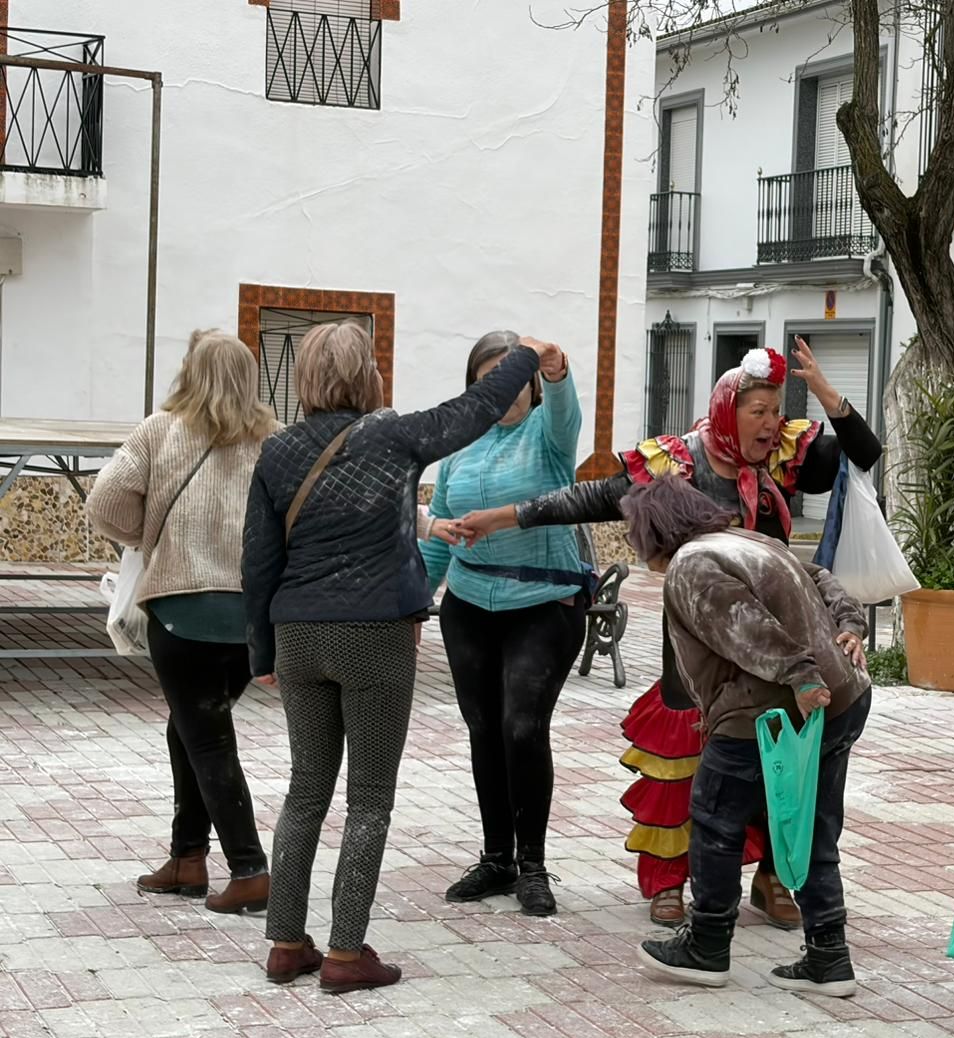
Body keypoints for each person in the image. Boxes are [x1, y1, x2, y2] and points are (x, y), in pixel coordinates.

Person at [457, 339, 880, 928]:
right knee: (688, 761)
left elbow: (865, 452)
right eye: (757, 410)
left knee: (781, 760)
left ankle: (774, 877)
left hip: (779, 641)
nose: (770, 422)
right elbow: (587, 499)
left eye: (776, 410)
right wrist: (502, 518)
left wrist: (829, 393)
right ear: (730, 408)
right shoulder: (678, 462)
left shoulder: (784, 458)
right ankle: (670, 879)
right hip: (699, 647)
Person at [242, 321, 566, 994]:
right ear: (368, 375)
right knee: (367, 802)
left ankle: (283, 942)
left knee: (305, 793)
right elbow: (474, 410)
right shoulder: (393, 435)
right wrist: (527, 357)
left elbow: (259, 560)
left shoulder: (275, 452)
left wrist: (260, 650)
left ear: (304, 379)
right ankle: (343, 952)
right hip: (374, 635)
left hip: (298, 634)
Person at [620, 473, 873, 995]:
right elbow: (821, 576)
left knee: (715, 819)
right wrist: (849, 623)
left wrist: (800, 674)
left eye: (635, 531)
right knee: (814, 830)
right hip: (843, 699)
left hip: (770, 709)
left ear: (656, 530)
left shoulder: (692, 565)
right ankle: (830, 957)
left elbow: (746, 625)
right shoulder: (748, 540)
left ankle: (707, 946)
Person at [86, 330, 278, 914]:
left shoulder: (160, 429)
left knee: (208, 738)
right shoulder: (274, 441)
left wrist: (147, 538)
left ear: (190, 372)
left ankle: (249, 869)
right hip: (250, 620)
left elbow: (103, 504)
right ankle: (187, 858)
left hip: (183, 614)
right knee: (190, 730)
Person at [417, 331, 586, 917]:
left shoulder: (548, 437)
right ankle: (496, 859)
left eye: (516, 375)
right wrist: (415, 600)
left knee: (521, 726)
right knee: (484, 729)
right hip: (468, 606)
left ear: (532, 384)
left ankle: (533, 865)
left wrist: (557, 367)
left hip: (543, 605)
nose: (506, 388)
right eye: (492, 378)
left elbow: (566, 409)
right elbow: (440, 531)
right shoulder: (458, 450)